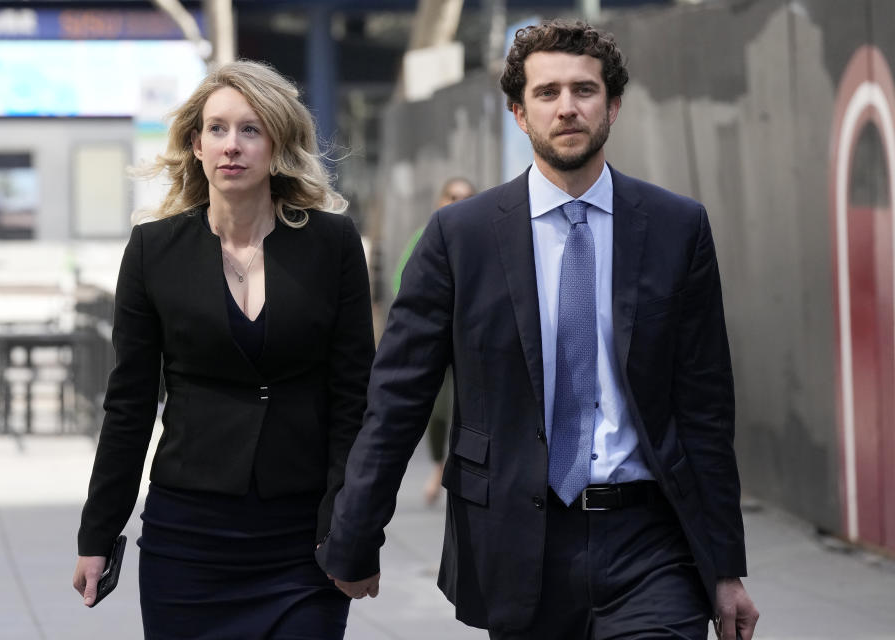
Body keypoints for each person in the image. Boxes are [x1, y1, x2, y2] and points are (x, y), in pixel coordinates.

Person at [317, 20, 759, 640]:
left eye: (585, 90)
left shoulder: (675, 227)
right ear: (519, 114)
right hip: (517, 541)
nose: (568, 107)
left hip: (652, 543)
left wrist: (726, 567)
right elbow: (398, 397)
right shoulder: (460, 237)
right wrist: (356, 532)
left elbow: (706, 407)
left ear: (614, 106)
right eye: (547, 93)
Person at [72, 60, 374, 639]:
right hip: (189, 537)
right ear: (196, 143)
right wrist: (97, 534)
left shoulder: (331, 244)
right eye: (217, 129)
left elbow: (354, 398)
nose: (231, 146)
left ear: (277, 144)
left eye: (250, 129)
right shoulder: (153, 250)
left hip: (302, 535)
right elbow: (129, 406)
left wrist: (354, 527)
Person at [391, 177, 477, 505]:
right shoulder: (426, 236)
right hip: (439, 339)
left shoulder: (482, 235)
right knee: (439, 409)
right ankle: (439, 466)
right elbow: (404, 283)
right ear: (440, 200)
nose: (458, 201)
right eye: (452, 196)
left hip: (472, 340)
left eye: (466, 197)